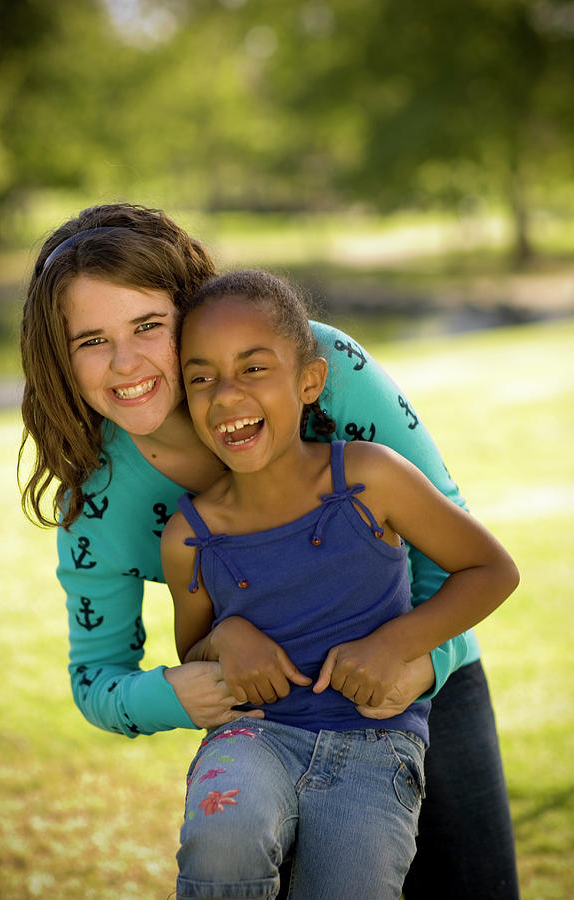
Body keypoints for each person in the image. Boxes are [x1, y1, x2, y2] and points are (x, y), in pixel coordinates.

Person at [19, 202, 521, 898]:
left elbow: (454, 555)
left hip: (422, 682)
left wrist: (419, 661)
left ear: (189, 311)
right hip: (272, 730)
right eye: (90, 340)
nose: (125, 361)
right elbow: (97, 678)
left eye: (146, 326)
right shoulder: (97, 501)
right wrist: (194, 679)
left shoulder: (313, 362)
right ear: (59, 357)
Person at [160, 269, 519, 899]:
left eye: (253, 369)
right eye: (201, 378)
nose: (225, 396)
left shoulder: (370, 479)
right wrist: (230, 636)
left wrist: (395, 645)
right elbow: (194, 653)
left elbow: (492, 569)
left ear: (310, 381)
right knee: (224, 833)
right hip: (255, 738)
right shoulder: (188, 537)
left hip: (374, 748)